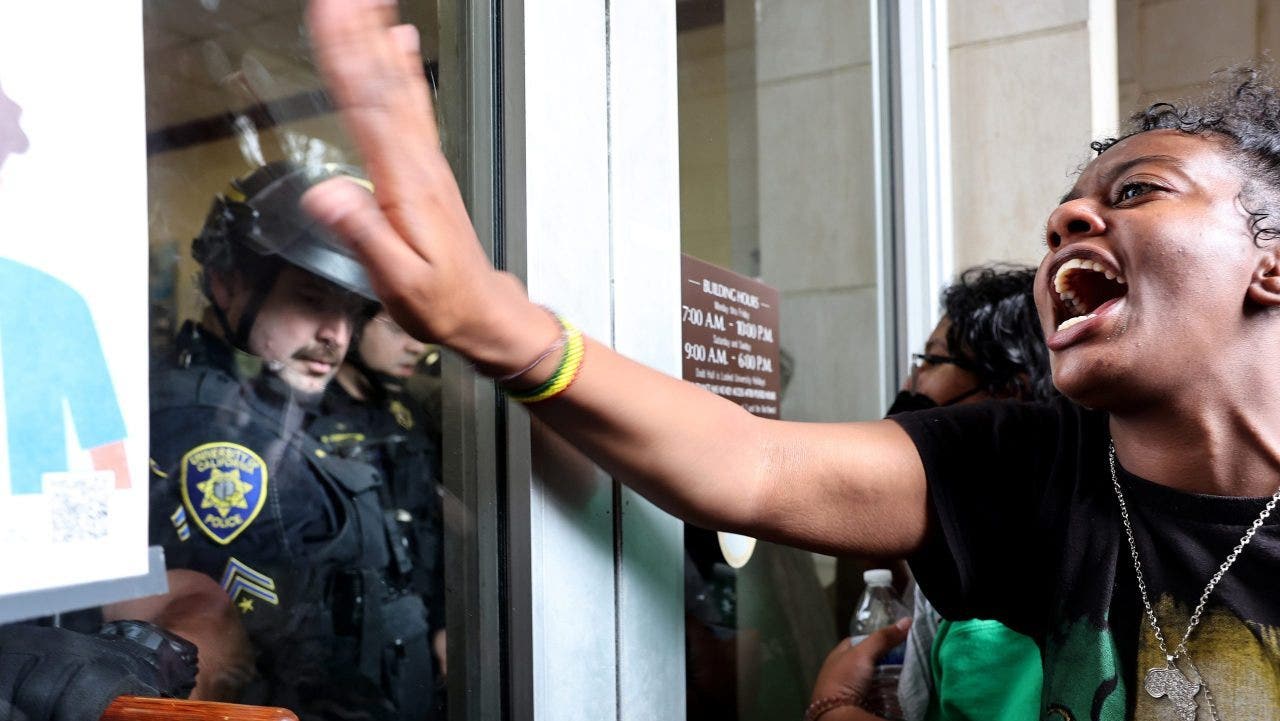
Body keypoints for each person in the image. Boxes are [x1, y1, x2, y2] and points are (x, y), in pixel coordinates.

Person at [303, 3, 1280, 717]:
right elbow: (749, 463)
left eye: (1138, 190)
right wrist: (494, 324)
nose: (1066, 218)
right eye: (1065, 207)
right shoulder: (1027, 469)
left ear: (1269, 265)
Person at [115, 160, 436, 720]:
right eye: (312, 299)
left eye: (352, 313)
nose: (335, 336)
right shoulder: (209, 430)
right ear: (227, 283)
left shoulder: (271, 407)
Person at [815, 265, 1052, 721]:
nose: (911, 385)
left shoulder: (993, 608)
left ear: (1008, 391)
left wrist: (835, 707)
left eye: (933, 362)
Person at [314, 308, 447, 695]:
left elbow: (429, 522)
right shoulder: (307, 416)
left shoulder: (407, 413)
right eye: (399, 328)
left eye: (420, 331)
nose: (416, 346)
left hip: (414, 632)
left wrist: (441, 624)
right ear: (352, 324)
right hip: (341, 645)